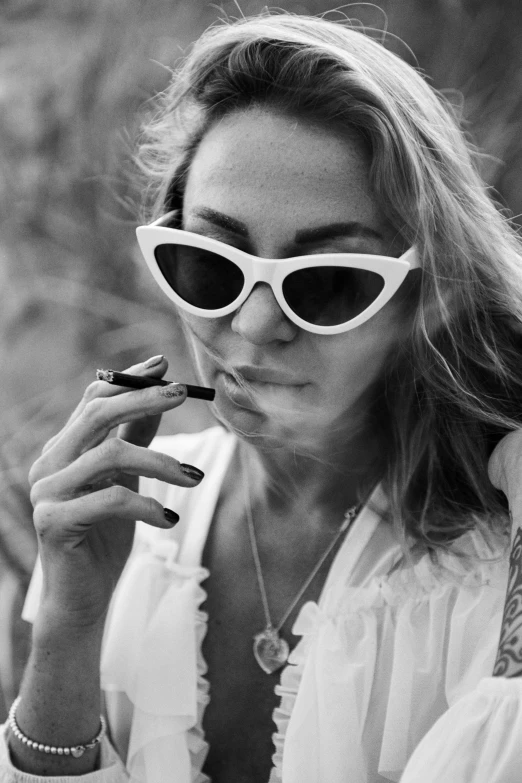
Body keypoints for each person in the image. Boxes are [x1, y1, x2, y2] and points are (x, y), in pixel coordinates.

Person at [1, 11, 522, 783]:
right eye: (210, 263)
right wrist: (69, 630)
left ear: (424, 295)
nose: (252, 326)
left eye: (328, 282)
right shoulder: (109, 522)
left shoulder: (496, 569)